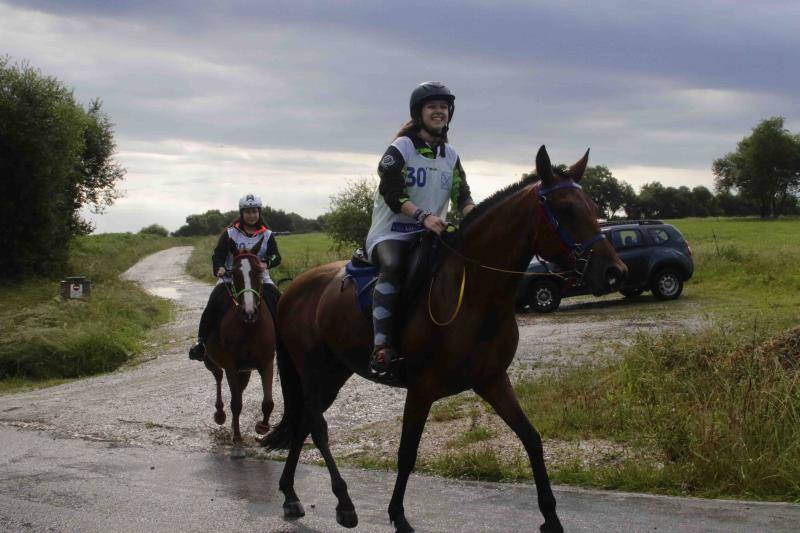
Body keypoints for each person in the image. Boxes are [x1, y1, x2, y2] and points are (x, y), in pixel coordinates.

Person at [365, 81, 476, 375]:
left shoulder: (450, 155)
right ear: (419, 113)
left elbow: (461, 194)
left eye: (444, 107)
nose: (439, 112)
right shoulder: (401, 148)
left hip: (431, 232)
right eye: (432, 107)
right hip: (391, 233)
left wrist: (476, 216)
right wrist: (423, 216)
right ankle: (381, 346)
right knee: (393, 266)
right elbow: (392, 193)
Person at [188, 194, 282, 361]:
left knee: (279, 302)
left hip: (259, 279)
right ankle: (201, 343)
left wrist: (266, 263)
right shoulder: (230, 233)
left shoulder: (267, 234)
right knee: (213, 303)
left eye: (254, 212)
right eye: (248, 212)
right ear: (242, 213)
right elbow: (218, 255)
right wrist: (220, 268)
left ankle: (285, 340)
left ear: (259, 212)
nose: (251, 215)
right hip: (232, 278)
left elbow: (276, 256)